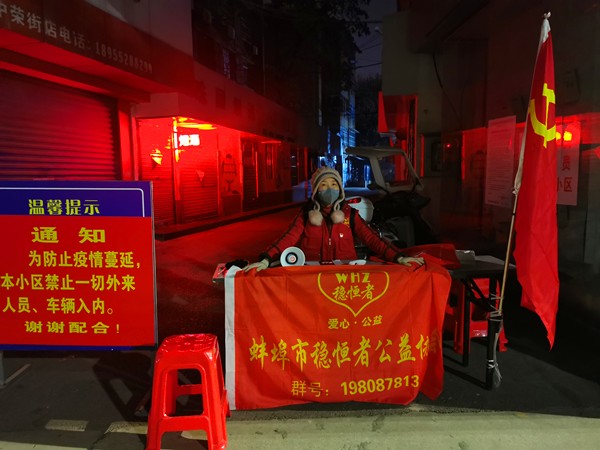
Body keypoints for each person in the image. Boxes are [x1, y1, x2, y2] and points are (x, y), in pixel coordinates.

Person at [244, 166, 424, 272]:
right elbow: (287, 238)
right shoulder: (306, 214)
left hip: (344, 278)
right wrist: (265, 260)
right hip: (312, 277)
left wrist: (399, 257)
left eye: (333, 184)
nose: (329, 189)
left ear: (340, 189)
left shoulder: (349, 214)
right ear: (316, 191)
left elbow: (372, 238)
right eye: (323, 185)